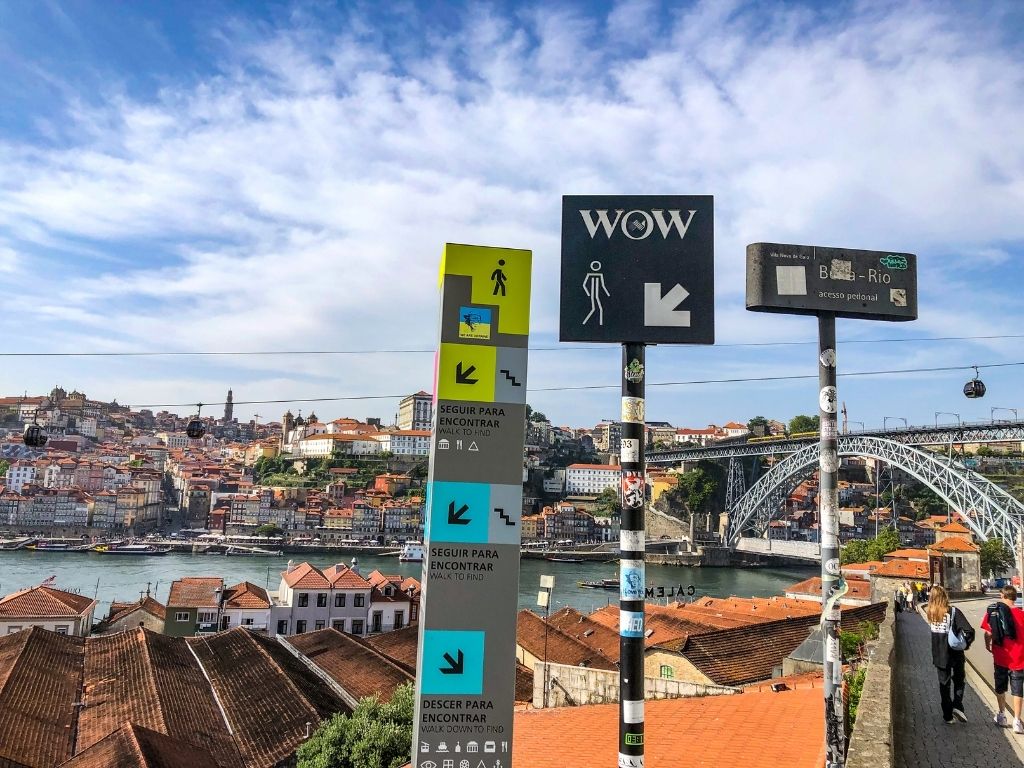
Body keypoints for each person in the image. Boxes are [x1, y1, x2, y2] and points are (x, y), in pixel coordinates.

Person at [927, 584, 976, 724]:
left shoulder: (931, 613)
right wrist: (966, 643)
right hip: (955, 653)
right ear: (944, 596)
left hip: (939, 654)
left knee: (944, 684)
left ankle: (947, 715)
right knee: (959, 680)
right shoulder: (952, 611)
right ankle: (957, 705)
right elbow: (968, 630)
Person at [981, 585, 1024, 732]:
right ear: (1015, 598)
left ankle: (1001, 715)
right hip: (1019, 658)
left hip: (1000, 656)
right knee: (1018, 689)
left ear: (1002, 596)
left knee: (1000, 686)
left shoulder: (993, 612)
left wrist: (988, 645)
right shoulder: (1021, 614)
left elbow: (987, 633)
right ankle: (1017, 721)